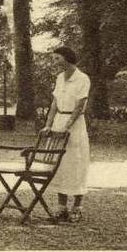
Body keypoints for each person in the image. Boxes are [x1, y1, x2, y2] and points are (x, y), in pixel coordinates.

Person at [41, 46, 90, 223]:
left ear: (67, 58)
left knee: (76, 163)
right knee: (58, 165)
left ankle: (77, 207)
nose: (54, 62)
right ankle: (62, 208)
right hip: (58, 123)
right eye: (53, 59)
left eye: (56, 59)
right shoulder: (59, 78)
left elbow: (80, 106)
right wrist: (48, 125)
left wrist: (67, 126)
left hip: (74, 126)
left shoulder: (82, 78)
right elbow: (54, 103)